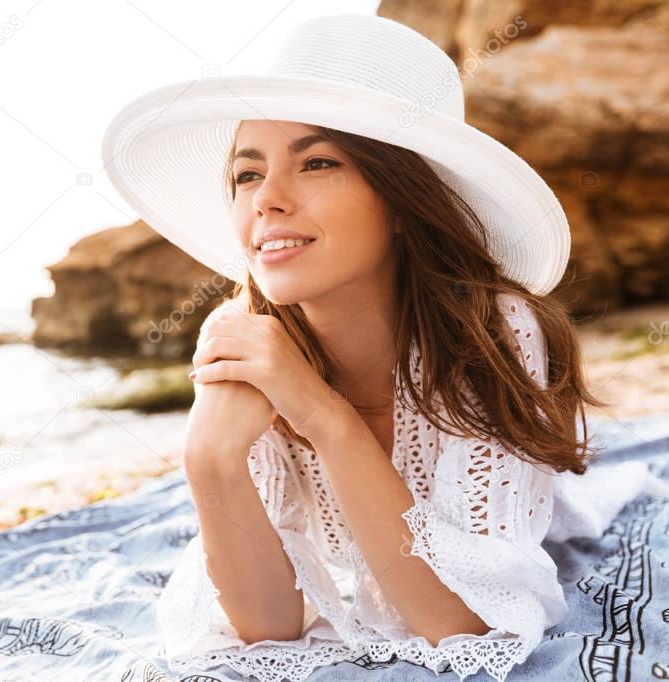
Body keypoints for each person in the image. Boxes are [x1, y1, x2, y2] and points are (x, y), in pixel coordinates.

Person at [101, 13, 669, 682]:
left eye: (316, 163)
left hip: (520, 533)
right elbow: (267, 628)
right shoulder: (244, 338)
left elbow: (466, 627)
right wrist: (207, 460)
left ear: (399, 200)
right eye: (246, 175)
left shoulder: (489, 330)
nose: (268, 201)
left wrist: (322, 416)